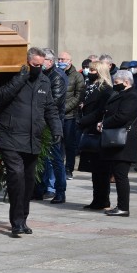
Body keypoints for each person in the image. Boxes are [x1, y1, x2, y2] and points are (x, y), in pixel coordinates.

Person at [0, 47, 62, 237]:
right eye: (35, 65)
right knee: (16, 177)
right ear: (26, 62)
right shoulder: (12, 76)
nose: (38, 69)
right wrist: (20, 78)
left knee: (28, 181)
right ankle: (16, 222)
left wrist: (56, 129)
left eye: (41, 66)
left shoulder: (44, 81)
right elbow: (0, 98)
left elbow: (49, 108)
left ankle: (23, 219)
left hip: (33, 139)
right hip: (10, 136)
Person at [99, 70, 137, 216]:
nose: (115, 85)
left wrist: (104, 123)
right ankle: (121, 206)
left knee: (121, 175)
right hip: (117, 140)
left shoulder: (132, 97)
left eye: (117, 83)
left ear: (126, 82)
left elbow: (122, 116)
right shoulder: (122, 95)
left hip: (125, 141)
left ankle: (123, 207)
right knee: (118, 174)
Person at [77, 61, 113, 209]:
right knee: (94, 169)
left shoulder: (105, 89)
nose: (89, 72)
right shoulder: (89, 87)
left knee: (102, 169)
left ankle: (103, 199)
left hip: (97, 131)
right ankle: (96, 199)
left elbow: (100, 111)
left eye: (92, 70)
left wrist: (84, 120)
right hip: (88, 129)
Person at [37, 48, 67, 203]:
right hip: (41, 121)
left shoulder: (57, 77)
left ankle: (60, 191)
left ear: (50, 61)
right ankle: (40, 188)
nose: (40, 64)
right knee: (42, 158)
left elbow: (54, 102)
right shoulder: (42, 75)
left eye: (43, 61)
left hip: (53, 122)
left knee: (55, 158)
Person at [58, 51, 86, 180]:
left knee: (69, 144)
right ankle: (58, 167)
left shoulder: (77, 76)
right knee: (58, 143)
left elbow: (78, 96)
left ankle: (69, 168)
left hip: (70, 116)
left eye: (63, 59)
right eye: (59, 59)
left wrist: (64, 108)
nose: (61, 61)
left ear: (70, 60)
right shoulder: (56, 74)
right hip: (57, 115)